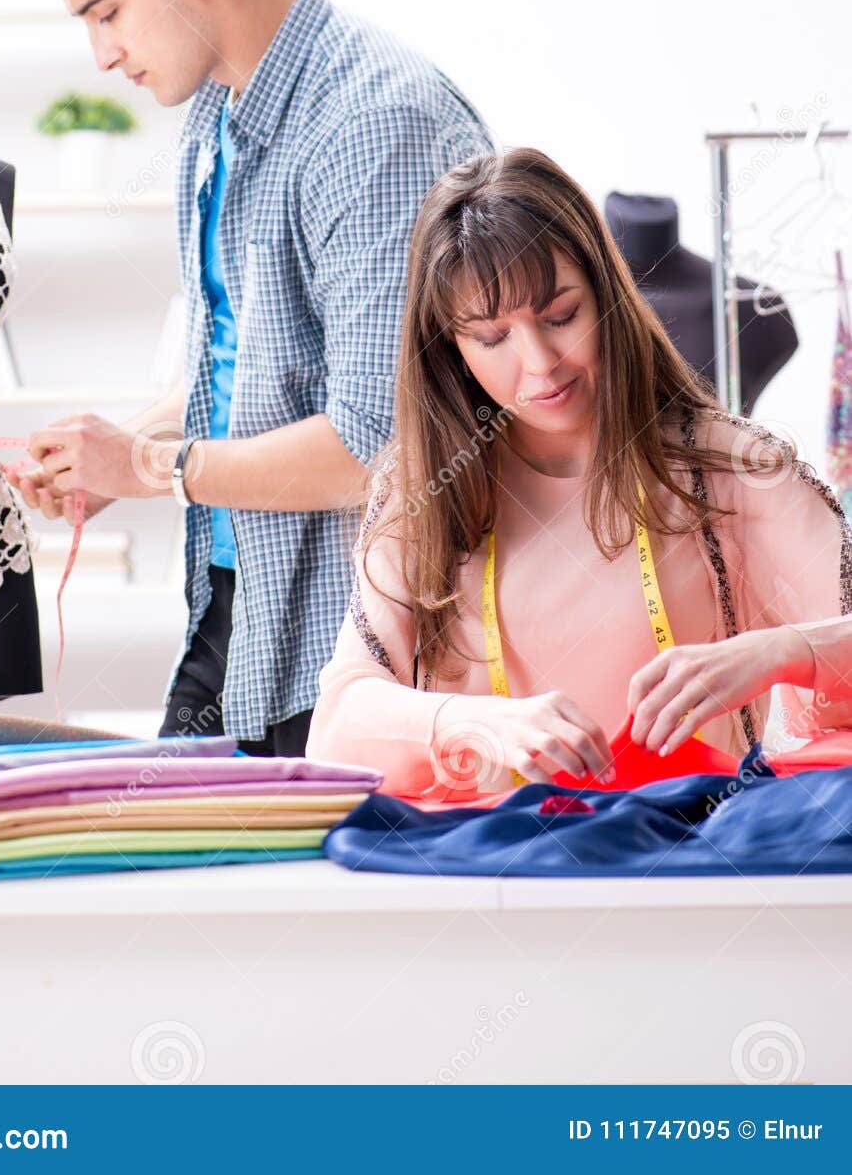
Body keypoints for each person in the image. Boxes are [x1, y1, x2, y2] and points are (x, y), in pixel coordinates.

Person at [7, 0, 494, 755]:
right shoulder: (215, 117)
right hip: (242, 608)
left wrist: (151, 468)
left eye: (107, 12)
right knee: (158, 877)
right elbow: (257, 376)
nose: (102, 55)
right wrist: (113, 454)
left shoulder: (375, 123)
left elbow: (376, 446)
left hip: (364, 640)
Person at [306, 147, 852, 796]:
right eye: (491, 336)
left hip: (682, 875)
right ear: (448, 345)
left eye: (561, 316)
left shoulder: (732, 470)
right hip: (480, 879)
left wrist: (780, 652)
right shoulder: (423, 492)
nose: (540, 363)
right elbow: (337, 729)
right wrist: (478, 722)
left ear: (608, 295)